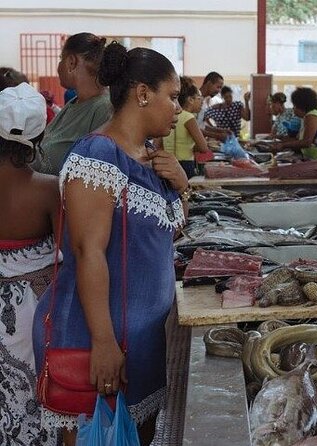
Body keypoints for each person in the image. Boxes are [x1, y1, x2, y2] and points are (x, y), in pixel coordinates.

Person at [33, 41, 188, 445]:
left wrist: (182, 187)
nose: (178, 108)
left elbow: (162, 236)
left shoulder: (150, 158)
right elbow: (88, 251)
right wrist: (102, 342)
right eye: (171, 96)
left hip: (140, 338)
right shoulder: (98, 156)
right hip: (96, 337)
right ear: (142, 93)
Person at [0, 83, 59, 446]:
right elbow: (69, 252)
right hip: (32, 315)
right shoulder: (50, 188)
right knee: (32, 397)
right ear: (40, 135)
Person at [32, 32, 113, 176]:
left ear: (71, 62)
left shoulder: (104, 109)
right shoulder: (73, 103)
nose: (59, 66)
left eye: (60, 59)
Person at [156, 76, 211, 178]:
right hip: (185, 164)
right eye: (199, 99)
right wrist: (192, 147)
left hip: (167, 163)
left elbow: (157, 144)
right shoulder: (189, 117)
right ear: (190, 99)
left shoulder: (170, 116)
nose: (202, 102)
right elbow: (203, 147)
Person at [272, 87, 317, 160]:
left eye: (295, 106)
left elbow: (306, 142)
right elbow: (297, 139)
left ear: (301, 106)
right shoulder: (305, 118)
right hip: (310, 157)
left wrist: (283, 145)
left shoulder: (311, 116)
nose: (293, 109)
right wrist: (279, 140)